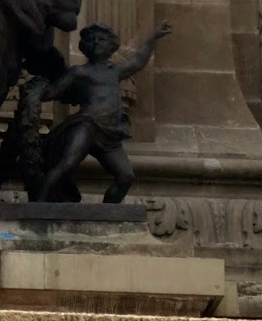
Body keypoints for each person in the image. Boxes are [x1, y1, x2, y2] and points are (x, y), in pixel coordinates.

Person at [37, 19, 172, 203]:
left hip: (109, 134)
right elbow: (53, 92)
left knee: (125, 177)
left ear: (111, 46)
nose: (95, 43)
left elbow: (138, 61)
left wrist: (152, 37)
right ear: (85, 45)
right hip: (87, 125)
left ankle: (108, 211)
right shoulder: (79, 72)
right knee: (67, 164)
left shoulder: (115, 71)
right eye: (91, 39)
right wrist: (36, 90)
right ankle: (38, 202)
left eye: (101, 39)